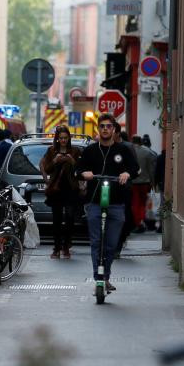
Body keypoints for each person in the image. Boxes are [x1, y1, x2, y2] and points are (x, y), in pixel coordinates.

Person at [79, 114, 139, 294]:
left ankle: (106, 275)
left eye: (109, 126)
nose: (105, 129)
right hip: (95, 202)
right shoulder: (90, 151)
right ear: (98, 129)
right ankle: (99, 279)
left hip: (116, 203)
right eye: (102, 126)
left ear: (114, 129)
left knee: (112, 243)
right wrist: (84, 173)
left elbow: (135, 169)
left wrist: (127, 174)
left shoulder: (123, 150)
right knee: (97, 242)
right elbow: (77, 169)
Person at [40, 125, 80, 260]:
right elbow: (47, 169)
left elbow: (80, 170)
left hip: (70, 188)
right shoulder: (51, 151)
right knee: (56, 220)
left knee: (70, 218)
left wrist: (72, 161)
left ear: (69, 138)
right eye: (60, 138)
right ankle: (56, 248)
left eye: (65, 138)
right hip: (56, 189)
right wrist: (55, 161)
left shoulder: (75, 151)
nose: (63, 140)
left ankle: (66, 246)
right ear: (57, 139)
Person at [130, 134, 158, 234]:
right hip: (145, 182)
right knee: (143, 203)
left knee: (135, 204)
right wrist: (153, 182)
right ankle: (141, 220)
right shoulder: (147, 152)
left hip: (133, 182)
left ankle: (139, 222)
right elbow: (151, 169)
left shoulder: (130, 151)